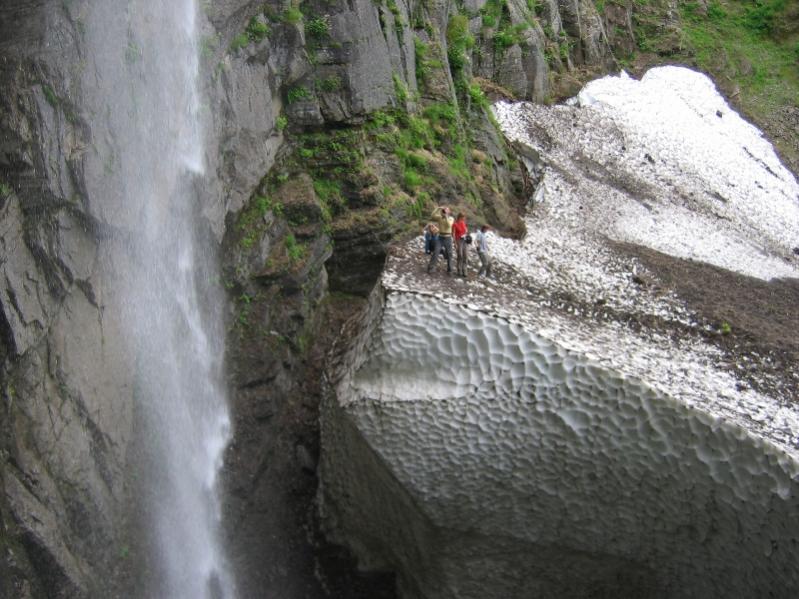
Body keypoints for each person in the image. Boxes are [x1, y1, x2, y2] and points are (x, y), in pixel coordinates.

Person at [427, 206, 453, 274]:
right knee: (436, 252)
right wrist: (438, 208)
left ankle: (450, 269)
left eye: (446, 211)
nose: (444, 212)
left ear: (449, 212)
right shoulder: (439, 218)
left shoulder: (451, 218)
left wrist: (446, 216)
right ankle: (432, 268)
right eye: (444, 211)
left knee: (449, 253)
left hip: (448, 237)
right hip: (440, 237)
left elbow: (448, 225)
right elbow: (432, 216)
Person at [452, 212, 469, 277]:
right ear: (460, 217)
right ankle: (459, 270)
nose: (464, 218)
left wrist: (466, 233)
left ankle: (464, 270)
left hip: (464, 240)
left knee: (466, 255)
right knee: (460, 255)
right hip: (458, 240)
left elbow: (466, 231)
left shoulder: (463, 223)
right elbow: (453, 234)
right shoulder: (455, 224)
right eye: (463, 217)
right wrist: (455, 243)